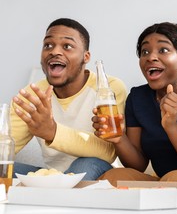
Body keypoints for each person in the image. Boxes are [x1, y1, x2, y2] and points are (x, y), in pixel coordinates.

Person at [94, 22, 177, 186]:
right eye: (144, 52)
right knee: (113, 177)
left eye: (163, 50)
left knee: (175, 179)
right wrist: (119, 138)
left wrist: (171, 126)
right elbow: (138, 165)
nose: (150, 57)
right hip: (163, 181)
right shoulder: (137, 97)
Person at [11, 18, 127, 180]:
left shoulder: (108, 88)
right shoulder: (32, 95)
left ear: (86, 57)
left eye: (67, 46)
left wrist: (53, 132)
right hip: (52, 173)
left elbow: (108, 151)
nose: (55, 51)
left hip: (97, 167)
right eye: (48, 45)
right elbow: (6, 144)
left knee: (86, 164)